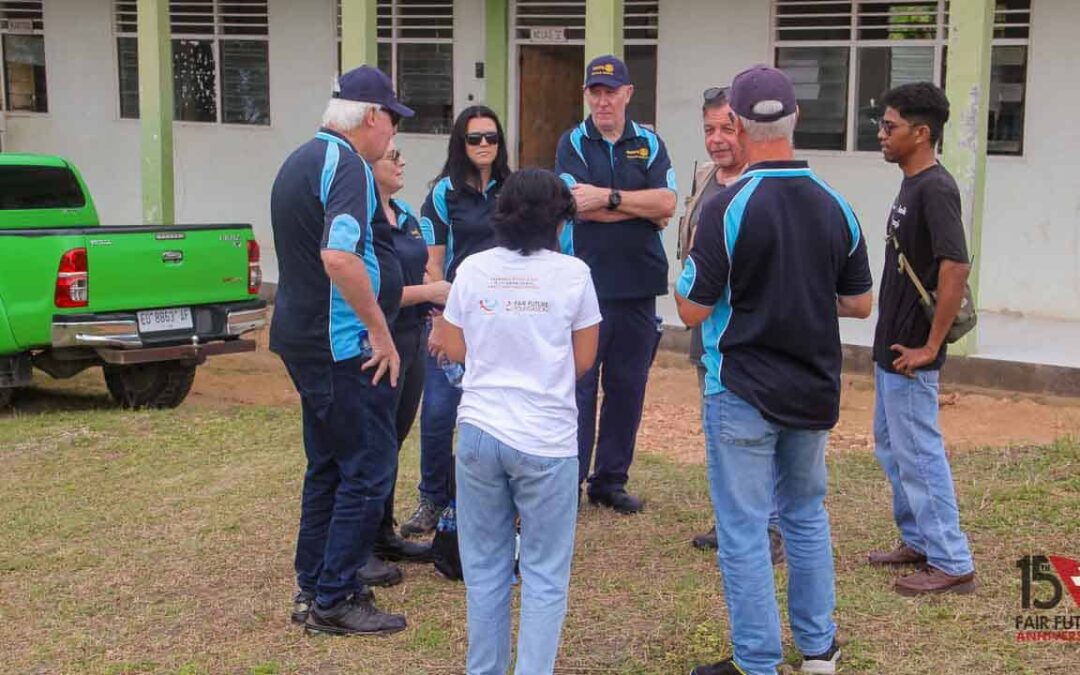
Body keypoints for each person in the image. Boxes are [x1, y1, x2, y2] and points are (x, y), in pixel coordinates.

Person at [676, 65, 873, 675]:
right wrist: (805, 287)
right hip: (813, 389)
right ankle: (819, 650)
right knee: (806, 515)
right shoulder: (836, 204)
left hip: (741, 391)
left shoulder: (728, 207)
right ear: (797, 122)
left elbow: (690, 307)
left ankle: (756, 661)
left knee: (742, 529)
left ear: (735, 123)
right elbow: (860, 301)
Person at [429, 168, 601, 675]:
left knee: (485, 571)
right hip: (546, 440)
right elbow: (584, 359)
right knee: (545, 574)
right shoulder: (574, 274)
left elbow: (454, 347)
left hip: (480, 433)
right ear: (559, 220)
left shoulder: (474, 269)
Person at [269, 65, 412, 636]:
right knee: (369, 466)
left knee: (328, 465)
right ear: (370, 116)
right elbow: (340, 257)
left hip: (302, 338)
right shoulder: (347, 164)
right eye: (392, 123)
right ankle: (337, 595)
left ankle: (314, 586)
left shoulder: (301, 157)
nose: (393, 139)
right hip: (340, 345)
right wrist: (379, 330)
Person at [867, 82, 977, 596]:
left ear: (921, 133)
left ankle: (952, 562)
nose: (882, 135)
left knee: (919, 453)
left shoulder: (935, 188)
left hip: (914, 353)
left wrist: (932, 347)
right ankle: (919, 541)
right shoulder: (912, 183)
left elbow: (955, 265)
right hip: (893, 346)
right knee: (894, 448)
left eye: (890, 127)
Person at [555, 54, 677, 514]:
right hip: (584, 284)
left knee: (628, 386)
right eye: (595, 92)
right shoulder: (573, 142)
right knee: (580, 387)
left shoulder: (649, 142)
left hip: (639, 284)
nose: (603, 101)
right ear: (587, 96)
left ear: (628, 93)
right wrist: (636, 206)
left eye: (611, 92)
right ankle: (570, 480)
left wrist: (608, 198)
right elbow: (573, 204)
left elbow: (666, 202)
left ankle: (610, 480)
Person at [679, 86, 782, 564]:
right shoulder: (705, 179)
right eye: (708, 130)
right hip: (707, 330)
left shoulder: (762, 185)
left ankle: (772, 528)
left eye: (725, 128)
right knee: (719, 431)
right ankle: (733, 522)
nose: (717, 139)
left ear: (743, 128)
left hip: (750, 335)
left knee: (760, 433)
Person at [400, 106, 512, 537]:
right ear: (460, 145)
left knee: (497, 412)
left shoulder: (513, 189)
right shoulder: (443, 194)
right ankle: (432, 497)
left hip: (504, 321)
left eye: (491, 137)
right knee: (440, 412)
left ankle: (491, 500)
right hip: (456, 318)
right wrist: (446, 318)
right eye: (474, 138)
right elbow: (433, 264)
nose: (484, 145)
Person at [358, 140, 450, 587]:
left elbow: (425, 270)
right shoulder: (363, 221)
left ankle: (382, 533)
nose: (401, 163)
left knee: (392, 440)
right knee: (370, 445)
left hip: (413, 337)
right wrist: (431, 294)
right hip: (379, 339)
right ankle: (358, 547)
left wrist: (438, 289)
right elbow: (375, 291)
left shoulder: (408, 215)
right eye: (392, 157)